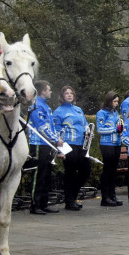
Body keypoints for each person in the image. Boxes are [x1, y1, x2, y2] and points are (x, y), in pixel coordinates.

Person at [52, 86, 91, 210]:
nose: (69, 95)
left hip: (81, 144)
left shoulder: (78, 109)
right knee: (71, 173)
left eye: (71, 93)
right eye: (66, 93)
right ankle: (69, 201)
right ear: (62, 96)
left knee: (86, 170)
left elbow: (85, 125)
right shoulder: (58, 111)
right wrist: (59, 150)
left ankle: (72, 196)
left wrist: (89, 132)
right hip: (67, 144)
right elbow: (56, 131)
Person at [28, 80, 63, 214]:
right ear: (42, 91)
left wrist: (55, 140)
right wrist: (56, 139)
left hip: (47, 144)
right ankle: (35, 205)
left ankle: (43, 203)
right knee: (38, 174)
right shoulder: (36, 105)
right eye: (49, 90)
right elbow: (41, 127)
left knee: (47, 174)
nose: (50, 92)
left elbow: (51, 127)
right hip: (38, 143)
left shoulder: (46, 107)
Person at [95, 91, 124, 207]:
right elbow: (100, 130)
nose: (116, 104)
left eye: (117, 101)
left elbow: (118, 127)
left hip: (116, 143)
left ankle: (113, 196)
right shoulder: (101, 113)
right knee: (107, 170)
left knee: (113, 171)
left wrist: (120, 130)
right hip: (107, 144)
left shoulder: (116, 113)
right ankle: (105, 197)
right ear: (109, 101)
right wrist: (114, 129)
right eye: (114, 101)